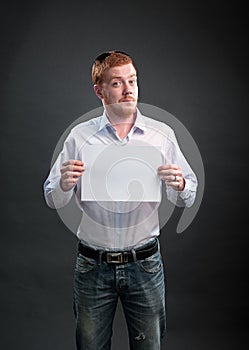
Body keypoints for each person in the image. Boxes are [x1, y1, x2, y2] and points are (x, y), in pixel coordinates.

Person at [43, 51, 198, 350]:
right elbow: (52, 198)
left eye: (133, 81)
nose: (129, 89)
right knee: (90, 346)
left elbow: (188, 195)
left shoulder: (160, 135)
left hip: (145, 265)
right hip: (92, 266)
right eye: (117, 83)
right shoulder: (79, 137)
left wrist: (179, 184)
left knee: (149, 346)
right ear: (99, 90)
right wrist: (63, 183)